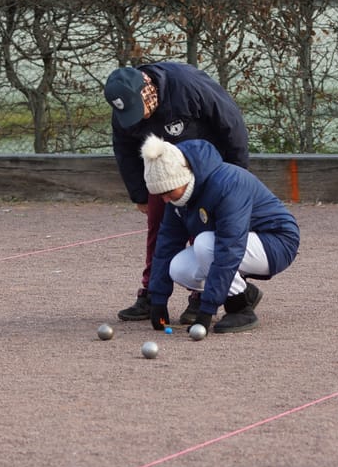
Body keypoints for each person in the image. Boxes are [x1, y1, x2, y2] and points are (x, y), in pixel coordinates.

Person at [104, 62, 250, 325]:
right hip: (162, 173)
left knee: (203, 232)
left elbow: (232, 125)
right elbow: (124, 150)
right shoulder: (123, 110)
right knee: (158, 230)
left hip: (205, 170)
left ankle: (201, 294)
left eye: (138, 110)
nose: (138, 119)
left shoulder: (189, 86)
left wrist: (236, 176)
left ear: (147, 90)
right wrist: (139, 194)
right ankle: (152, 293)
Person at [140, 134, 300, 334]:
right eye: (160, 194)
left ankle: (239, 307)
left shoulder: (227, 184)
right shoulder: (178, 198)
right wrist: (158, 300)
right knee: (179, 267)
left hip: (277, 242)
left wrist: (207, 311)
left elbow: (229, 247)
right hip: (240, 243)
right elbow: (167, 245)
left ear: (183, 178)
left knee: (205, 244)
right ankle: (244, 291)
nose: (165, 200)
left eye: (168, 191)